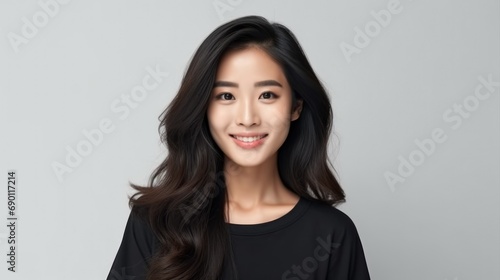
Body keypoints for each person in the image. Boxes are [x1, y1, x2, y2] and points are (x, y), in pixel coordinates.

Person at [107, 15, 371, 280]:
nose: (247, 118)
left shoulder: (332, 235)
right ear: (204, 108)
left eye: (267, 95)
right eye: (226, 96)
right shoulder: (156, 223)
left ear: (296, 107)